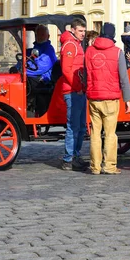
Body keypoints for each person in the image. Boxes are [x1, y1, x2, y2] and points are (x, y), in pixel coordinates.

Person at [85, 22, 130, 175]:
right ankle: (109, 166)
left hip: (93, 97)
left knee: (95, 133)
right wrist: (127, 99)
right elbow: (123, 77)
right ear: (113, 35)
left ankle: (95, 166)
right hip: (111, 98)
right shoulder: (117, 52)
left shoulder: (89, 51)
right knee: (110, 134)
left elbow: (86, 74)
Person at [59, 18, 89, 171]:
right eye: (80, 31)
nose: (83, 34)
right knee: (73, 126)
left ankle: (75, 155)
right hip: (73, 91)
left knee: (81, 126)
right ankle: (68, 159)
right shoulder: (71, 45)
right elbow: (66, 69)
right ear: (73, 30)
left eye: (84, 31)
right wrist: (77, 86)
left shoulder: (76, 44)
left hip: (79, 90)